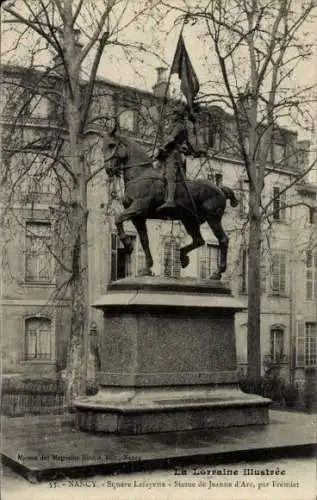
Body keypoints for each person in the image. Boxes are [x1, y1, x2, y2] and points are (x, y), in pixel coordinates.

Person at [156, 101, 200, 213]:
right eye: (172, 114)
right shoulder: (172, 125)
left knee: (170, 176)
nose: (172, 115)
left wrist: (163, 145)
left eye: (174, 114)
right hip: (166, 155)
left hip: (173, 155)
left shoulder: (179, 126)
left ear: (178, 116)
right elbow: (166, 134)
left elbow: (171, 138)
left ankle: (170, 200)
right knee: (160, 176)